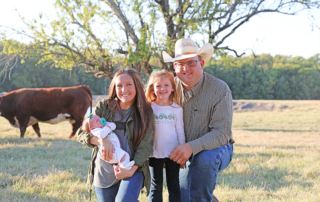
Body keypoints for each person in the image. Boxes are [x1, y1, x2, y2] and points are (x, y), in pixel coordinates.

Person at [162, 38, 235, 202]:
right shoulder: (166, 87)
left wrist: (191, 147)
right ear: (174, 66)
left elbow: (222, 133)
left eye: (191, 63)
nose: (185, 68)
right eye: (180, 63)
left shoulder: (219, 89)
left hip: (215, 149)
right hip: (182, 152)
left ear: (201, 63)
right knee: (180, 198)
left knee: (203, 160)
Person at [77, 68, 154, 202]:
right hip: (104, 172)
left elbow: (146, 146)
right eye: (119, 86)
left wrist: (131, 170)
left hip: (132, 167)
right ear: (114, 88)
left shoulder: (145, 112)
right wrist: (102, 140)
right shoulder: (104, 106)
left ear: (137, 86)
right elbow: (81, 134)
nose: (124, 90)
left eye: (129, 84)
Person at [145, 70, 185, 202]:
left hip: (173, 153)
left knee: (173, 185)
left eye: (166, 85)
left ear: (173, 88)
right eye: (158, 86)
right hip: (154, 153)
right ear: (152, 89)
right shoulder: (149, 108)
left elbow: (180, 132)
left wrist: (182, 155)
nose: (162, 89)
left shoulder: (177, 109)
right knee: (155, 186)